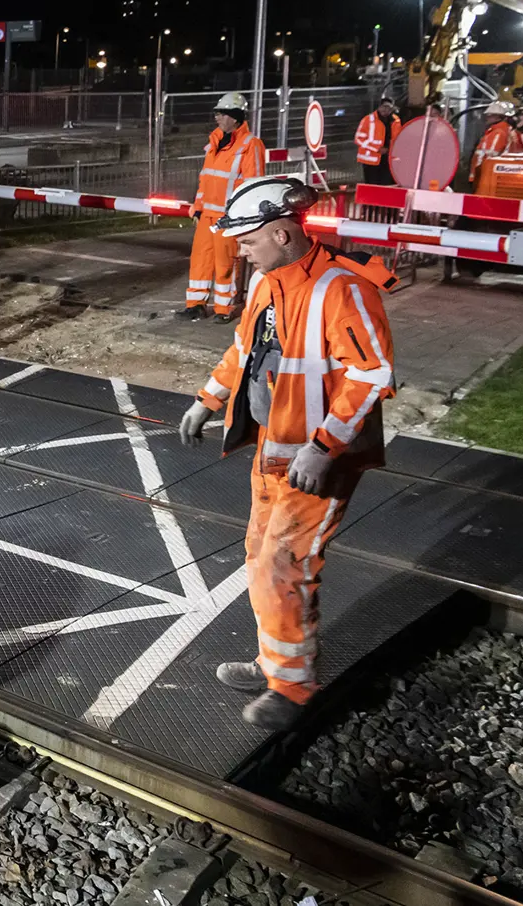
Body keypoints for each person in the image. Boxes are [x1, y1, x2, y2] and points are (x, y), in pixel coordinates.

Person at [177, 177, 396, 730]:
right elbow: (246, 350)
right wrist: (210, 398)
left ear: (281, 233)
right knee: (261, 558)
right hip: (274, 452)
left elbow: (371, 376)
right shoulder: (267, 282)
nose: (239, 251)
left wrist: (324, 449)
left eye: (247, 241)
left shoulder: (342, 288)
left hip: (317, 459)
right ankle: (275, 663)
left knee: (284, 563)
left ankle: (293, 690)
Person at [177, 92, 265, 324]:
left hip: (229, 218)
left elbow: (252, 184)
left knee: (226, 263)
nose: (217, 117)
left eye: (222, 113)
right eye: (217, 113)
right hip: (207, 216)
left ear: (235, 117)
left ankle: (224, 308)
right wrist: (197, 208)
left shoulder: (250, 145)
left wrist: (241, 216)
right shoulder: (214, 143)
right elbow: (205, 179)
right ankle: (195, 305)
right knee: (200, 260)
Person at [353, 97, 401, 186]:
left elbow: (398, 139)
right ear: (379, 107)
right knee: (372, 185)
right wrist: (377, 149)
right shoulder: (368, 119)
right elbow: (358, 139)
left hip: (388, 158)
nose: (386, 110)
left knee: (386, 185)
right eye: (384, 107)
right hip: (371, 160)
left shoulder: (396, 121)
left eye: (389, 108)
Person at [470, 100, 518, 187]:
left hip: (487, 179)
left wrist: (476, 177)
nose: (487, 117)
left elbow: (489, 158)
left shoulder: (498, 133)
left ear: (499, 117)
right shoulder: (503, 131)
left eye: (490, 115)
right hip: (492, 178)